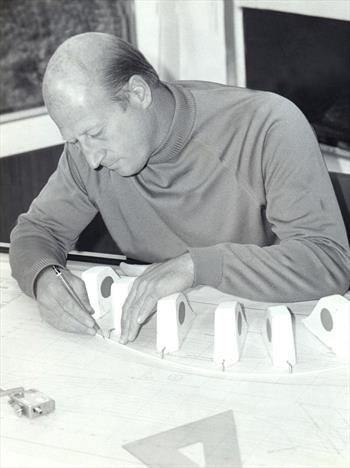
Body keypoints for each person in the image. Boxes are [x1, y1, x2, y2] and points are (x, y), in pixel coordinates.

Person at [10, 32, 350, 344]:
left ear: (138, 93)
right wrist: (44, 276)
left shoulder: (268, 124)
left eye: (96, 133)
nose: (92, 159)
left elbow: (329, 260)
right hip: (156, 332)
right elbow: (37, 231)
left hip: (262, 326)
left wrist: (195, 266)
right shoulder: (85, 152)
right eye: (75, 140)